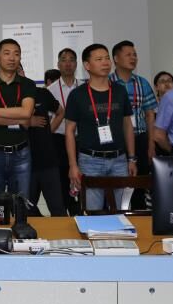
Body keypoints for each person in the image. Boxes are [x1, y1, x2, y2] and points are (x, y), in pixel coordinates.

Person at [65, 44, 137, 212]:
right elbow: (69, 131)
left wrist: (132, 158)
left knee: (122, 211)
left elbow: (127, 125)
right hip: (90, 160)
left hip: (119, 160)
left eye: (107, 58)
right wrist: (73, 165)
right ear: (87, 65)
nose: (105, 62)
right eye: (99, 59)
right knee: (93, 213)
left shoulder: (119, 91)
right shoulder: (77, 95)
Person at [0, 39, 36, 199]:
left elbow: (26, 113)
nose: (12, 58)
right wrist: (18, 118)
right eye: (7, 53)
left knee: (21, 202)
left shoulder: (28, 84)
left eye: (16, 54)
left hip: (21, 153)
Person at [110, 40, 158, 209]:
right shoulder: (107, 83)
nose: (133, 58)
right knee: (115, 184)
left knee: (139, 183)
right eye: (128, 55)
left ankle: (139, 216)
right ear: (116, 58)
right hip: (115, 141)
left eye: (135, 55)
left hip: (140, 139)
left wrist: (151, 144)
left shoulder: (142, 83)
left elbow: (150, 115)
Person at [47, 48, 81, 214]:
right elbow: (47, 122)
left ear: (76, 64)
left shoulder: (84, 87)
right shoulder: (50, 90)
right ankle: (66, 212)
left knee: (82, 178)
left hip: (81, 140)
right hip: (58, 141)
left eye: (71, 60)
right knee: (62, 179)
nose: (68, 63)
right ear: (58, 64)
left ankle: (79, 211)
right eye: (64, 60)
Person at [27, 69, 66, 216]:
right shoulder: (9, 98)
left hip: (47, 159)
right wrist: (27, 122)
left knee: (57, 208)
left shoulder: (41, 93)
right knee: (26, 209)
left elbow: (61, 112)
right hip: (24, 162)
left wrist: (50, 130)